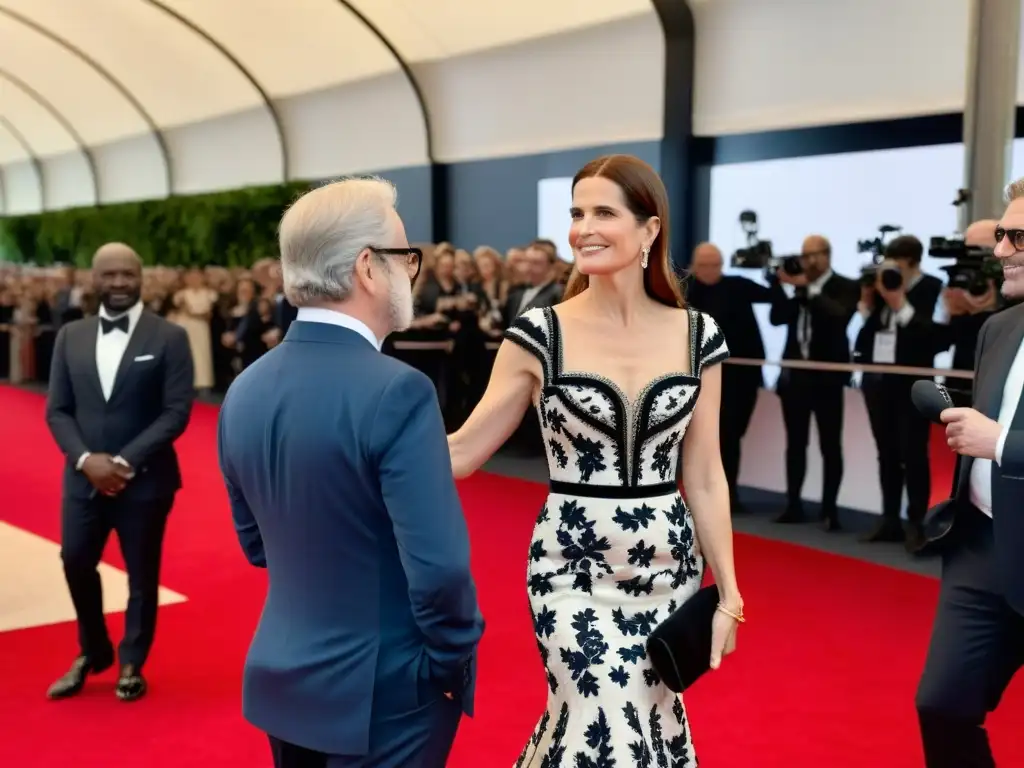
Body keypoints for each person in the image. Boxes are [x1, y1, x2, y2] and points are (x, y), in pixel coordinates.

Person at [447, 155, 743, 765]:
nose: (583, 228)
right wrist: (363, 437)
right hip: (571, 568)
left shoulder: (698, 336)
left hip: (669, 569)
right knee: (601, 713)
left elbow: (706, 475)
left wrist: (729, 596)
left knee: (648, 730)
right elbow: (464, 451)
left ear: (649, 230)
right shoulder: (539, 334)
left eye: (603, 212)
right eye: (577, 213)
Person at [217, 177, 484, 768]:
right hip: (384, 694)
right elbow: (440, 571)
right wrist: (447, 666)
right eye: (404, 255)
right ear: (368, 267)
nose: (410, 271)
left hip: (281, 680)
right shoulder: (398, 391)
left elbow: (256, 546)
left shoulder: (243, 388)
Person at [44, 242, 195, 702]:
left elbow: (176, 411)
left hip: (145, 481)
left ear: (141, 276)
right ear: (94, 279)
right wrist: (88, 462)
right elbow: (57, 411)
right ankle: (93, 650)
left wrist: (124, 461)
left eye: (127, 274)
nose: (118, 284)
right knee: (74, 561)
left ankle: (132, 661)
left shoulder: (169, 337)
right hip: (82, 477)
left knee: (141, 575)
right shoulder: (71, 337)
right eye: (108, 275)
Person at [915, 182, 1024, 767]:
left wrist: (1001, 441)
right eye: (1002, 235)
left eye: (1017, 237)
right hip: (981, 547)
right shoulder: (998, 329)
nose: (1001, 250)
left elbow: (997, 436)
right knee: (943, 707)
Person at [768, 236, 859, 530]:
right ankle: (793, 504)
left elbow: (839, 316)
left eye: (812, 255)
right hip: (795, 379)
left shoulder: (845, 286)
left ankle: (830, 510)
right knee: (795, 444)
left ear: (827, 256)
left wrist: (807, 288)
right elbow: (777, 318)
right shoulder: (798, 289)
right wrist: (779, 285)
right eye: (803, 255)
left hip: (828, 380)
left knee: (830, 445)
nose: (807, 261)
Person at [686, 242, 774, 514]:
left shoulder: (738, 285)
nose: (710, 270)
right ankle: (700, 492)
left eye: (715, 264)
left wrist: (779, 278)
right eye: (704, 265)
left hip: (741, 376)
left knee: (733, 435)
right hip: (697, 376)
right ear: (694, 265)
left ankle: (729, 492)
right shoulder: (684, 289)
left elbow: (773, 299)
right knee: (701, 437)